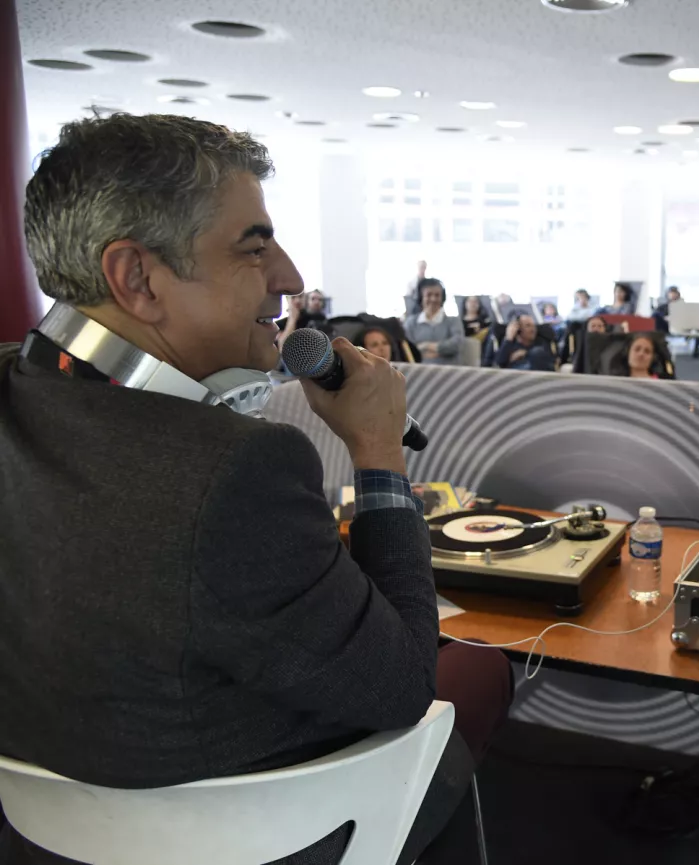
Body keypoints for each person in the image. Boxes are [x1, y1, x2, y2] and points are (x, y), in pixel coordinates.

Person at [0, 113, 512, 865]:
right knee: (478, 670)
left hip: (40, 828)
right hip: (250, 834)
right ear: (137, 277)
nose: (291, 278)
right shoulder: (235, 468)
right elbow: (404, 681)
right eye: (254, 246)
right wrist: (378, 453)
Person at [404, 277, 465, 365]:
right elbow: (407, 349)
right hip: (418, 370)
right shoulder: (411, 323)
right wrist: (443, 351)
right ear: (421, 297)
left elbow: (456, 344)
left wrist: (426, 346)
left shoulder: (453, 321)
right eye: (429, 295)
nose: (433, 299)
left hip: (448, 370)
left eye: (437, 295)